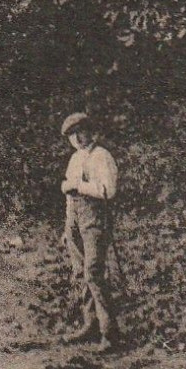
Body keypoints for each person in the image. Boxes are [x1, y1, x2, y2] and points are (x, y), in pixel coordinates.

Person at [59, 111, 119, 351]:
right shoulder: (74, 159)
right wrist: (67, 226)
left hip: (94, 220)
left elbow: (107, 190)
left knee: (93, 272)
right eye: (71, 135)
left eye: (79, 132)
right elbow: (69, 195)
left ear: (89, 131)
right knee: (80, 273)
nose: (76, 138)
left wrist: (79, 186)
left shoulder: (102, 156)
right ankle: (90, 324)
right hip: (75, 219)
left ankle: (110, 332)